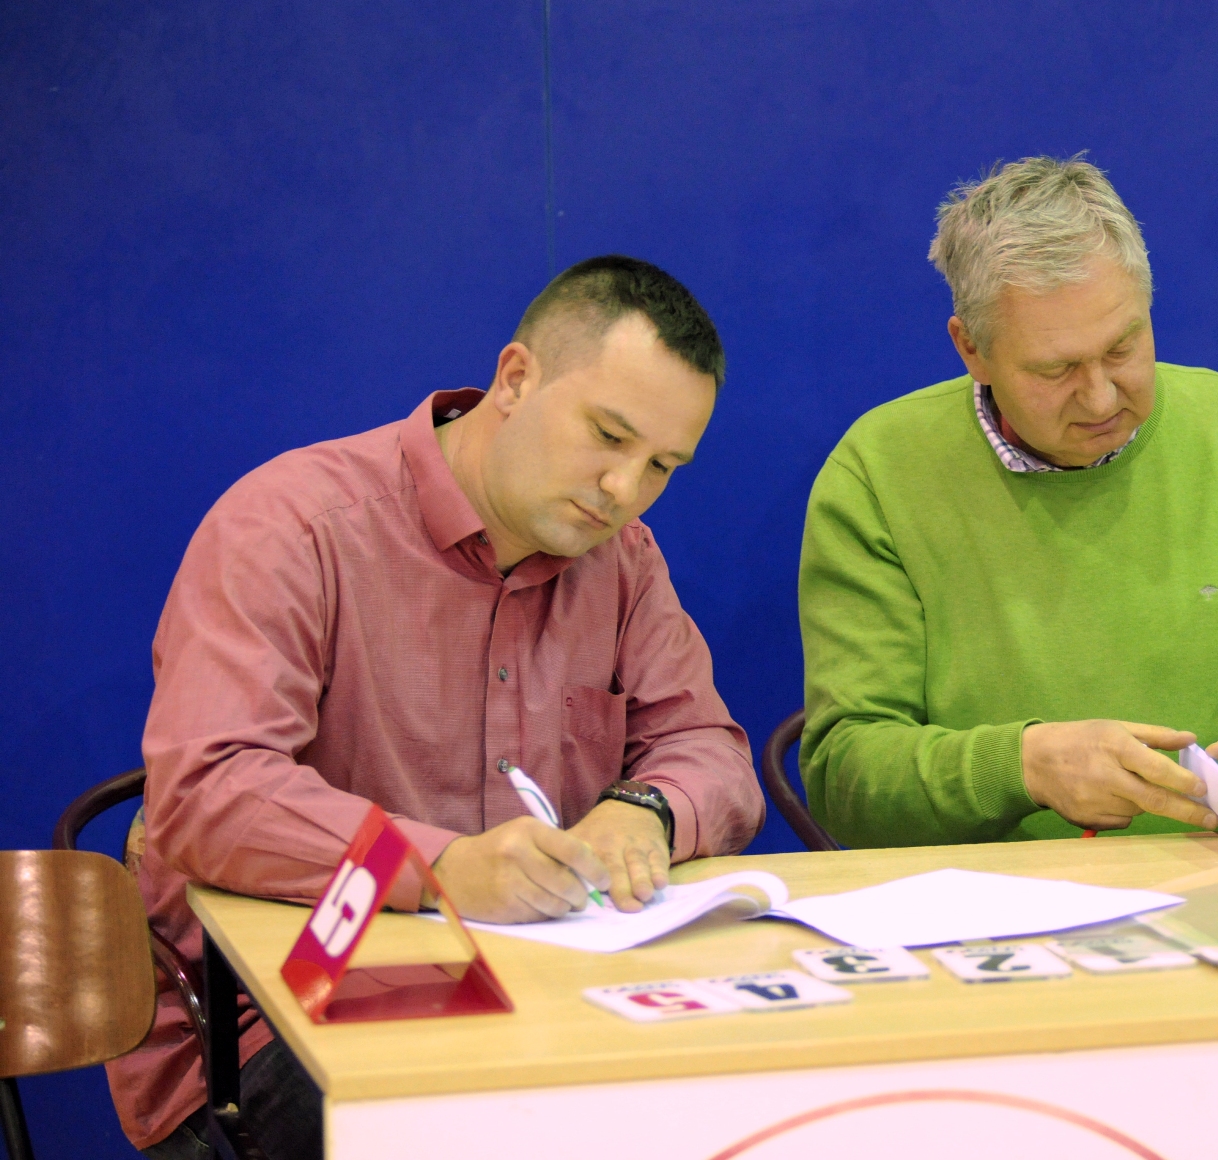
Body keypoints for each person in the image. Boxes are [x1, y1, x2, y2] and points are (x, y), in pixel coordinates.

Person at [113, 256, 764, 1160]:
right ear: (515, 379)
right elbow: (208, 791)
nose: (625, 489)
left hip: (544, 976)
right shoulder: (294, 525)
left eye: (661, 465)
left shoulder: (623, 563)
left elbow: (709, 750)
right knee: (496, 1126)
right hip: (295, 988)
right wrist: (445, 868)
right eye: (608, 436)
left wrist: (645, 809)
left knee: (750, 1087)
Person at [797, 156, 1218, 848]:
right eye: (1054, 369)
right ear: (971, 349)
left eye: (1122, 348)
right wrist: (1024, 767)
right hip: (992, 895)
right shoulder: (880, 471)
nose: (1099, 398)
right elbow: (846, 779)